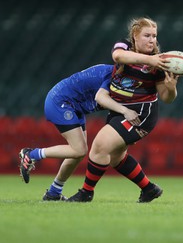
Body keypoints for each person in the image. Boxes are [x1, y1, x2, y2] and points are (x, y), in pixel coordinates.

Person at [67, 17, 178, 202]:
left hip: (140, 114)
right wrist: (151, 60)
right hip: (119, 110)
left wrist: (172, 87)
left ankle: (86, 192)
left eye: (154, 36)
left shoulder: (159, 63)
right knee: (116, 158)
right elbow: (118, 57)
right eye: (147, 35)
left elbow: (167, 98)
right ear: (135, 35)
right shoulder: (125, 47)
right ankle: (149, 189)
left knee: (100, 146)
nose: (152, 40)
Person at [18, 64, 140, 201]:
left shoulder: (117, 74)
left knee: (78, 153)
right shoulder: (115, 77)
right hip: (61, 101)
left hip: (75, 106)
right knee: (79, 150)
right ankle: (31, 154)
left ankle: (53, 193)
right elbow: (101, 98)